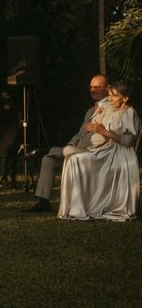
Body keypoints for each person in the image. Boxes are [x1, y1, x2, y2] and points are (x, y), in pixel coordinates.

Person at [26, 74, 110, 212]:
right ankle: (43, 202)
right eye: (90, 87)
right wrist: (72, 144)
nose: (92, 90)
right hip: (77, 150)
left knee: (51, 153)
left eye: (96, 87)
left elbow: (108, 135)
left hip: (93, 152)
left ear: (107, 88)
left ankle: (46, 150)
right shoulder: (90, 110)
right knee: (48, 160)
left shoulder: (111, 108)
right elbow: (80, 133)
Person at [58, 80, 140, 221]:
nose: (110, 99)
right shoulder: (116, 111)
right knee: (73, 159)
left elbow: (127, 141)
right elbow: (110, 137)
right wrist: (99, 130)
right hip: (109, 150)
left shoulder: (129, 113)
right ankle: (76, 207)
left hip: (121, 155)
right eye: (109, 95)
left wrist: (104, 131)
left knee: (78, 160)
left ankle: (83, 207)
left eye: (114, 96)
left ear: (125, 98)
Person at [0, 91, 19, 189]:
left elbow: (17, 122)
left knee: (13, 159)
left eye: (7, 95)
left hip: (12, 135)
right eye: (4, 96)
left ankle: (13, 181)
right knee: (4, 159)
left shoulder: (14, 109)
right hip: (3, 136)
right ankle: (5, 181)